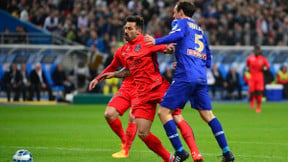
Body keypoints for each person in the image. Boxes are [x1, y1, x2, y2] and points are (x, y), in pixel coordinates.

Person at [96, 15, 203, 162]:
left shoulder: (147, 41)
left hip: (158, 87)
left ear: (138, 31)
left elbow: (165, 48)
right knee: (142, 132)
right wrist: (113, 74)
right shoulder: (124, 50)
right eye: (125, 28)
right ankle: (170, 159)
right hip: (142, 94)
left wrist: (169, 49)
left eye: (129, 28)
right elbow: (130, 71)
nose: (126, 31)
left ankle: (195, 153)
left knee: (176, 116)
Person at [144, 1, 234, 162]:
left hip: (185, 76)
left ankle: (179, 151)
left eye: (174, 12)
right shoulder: (201, 31)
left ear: (180, 12)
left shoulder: (181, 22)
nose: (173, 15)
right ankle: (227, 152)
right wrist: (187, 61)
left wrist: (156, 41)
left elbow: (177, 35)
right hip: (200, 77)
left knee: (164, 112)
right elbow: (208, 58)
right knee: (208, 115)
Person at [246, 45, 270, 113]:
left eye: (258, 50)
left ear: (259, 51)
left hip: (259, 77)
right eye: (256, 50)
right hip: (252, 77)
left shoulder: (263, 59)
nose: (257, 51)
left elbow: (267, 68)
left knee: (259, 92)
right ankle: (252, 102)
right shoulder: (250, 58)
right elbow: (247, 66)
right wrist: (248, 71)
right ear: (254, 51)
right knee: (252, 92)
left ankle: (258, 107)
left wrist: (263, 68)